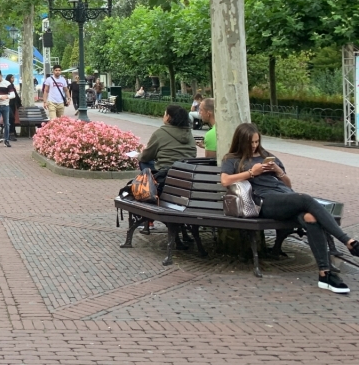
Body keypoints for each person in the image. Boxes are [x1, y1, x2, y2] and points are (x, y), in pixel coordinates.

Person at [219, 122, 359, 294]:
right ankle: (348, 242)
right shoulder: (231, 159)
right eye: (250, 142)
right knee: (306, 199)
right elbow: (225, 181)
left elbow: (288, 185)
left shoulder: (267, 156)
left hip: (284, 196)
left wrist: (278, 170)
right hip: (265, 201)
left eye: (256, 142)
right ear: (241, 142)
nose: (254, 145)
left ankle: (325, 274)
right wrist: (252, 173)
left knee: (311, 218)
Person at [138, 104, 196, 192]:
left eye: (164, 114)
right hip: (186, 174)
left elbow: (146, 156)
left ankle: (149, 188)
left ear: (168, 117)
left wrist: (138, 155)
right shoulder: (189, 134)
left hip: (164, 175)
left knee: (144, 162)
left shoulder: (160, 133)